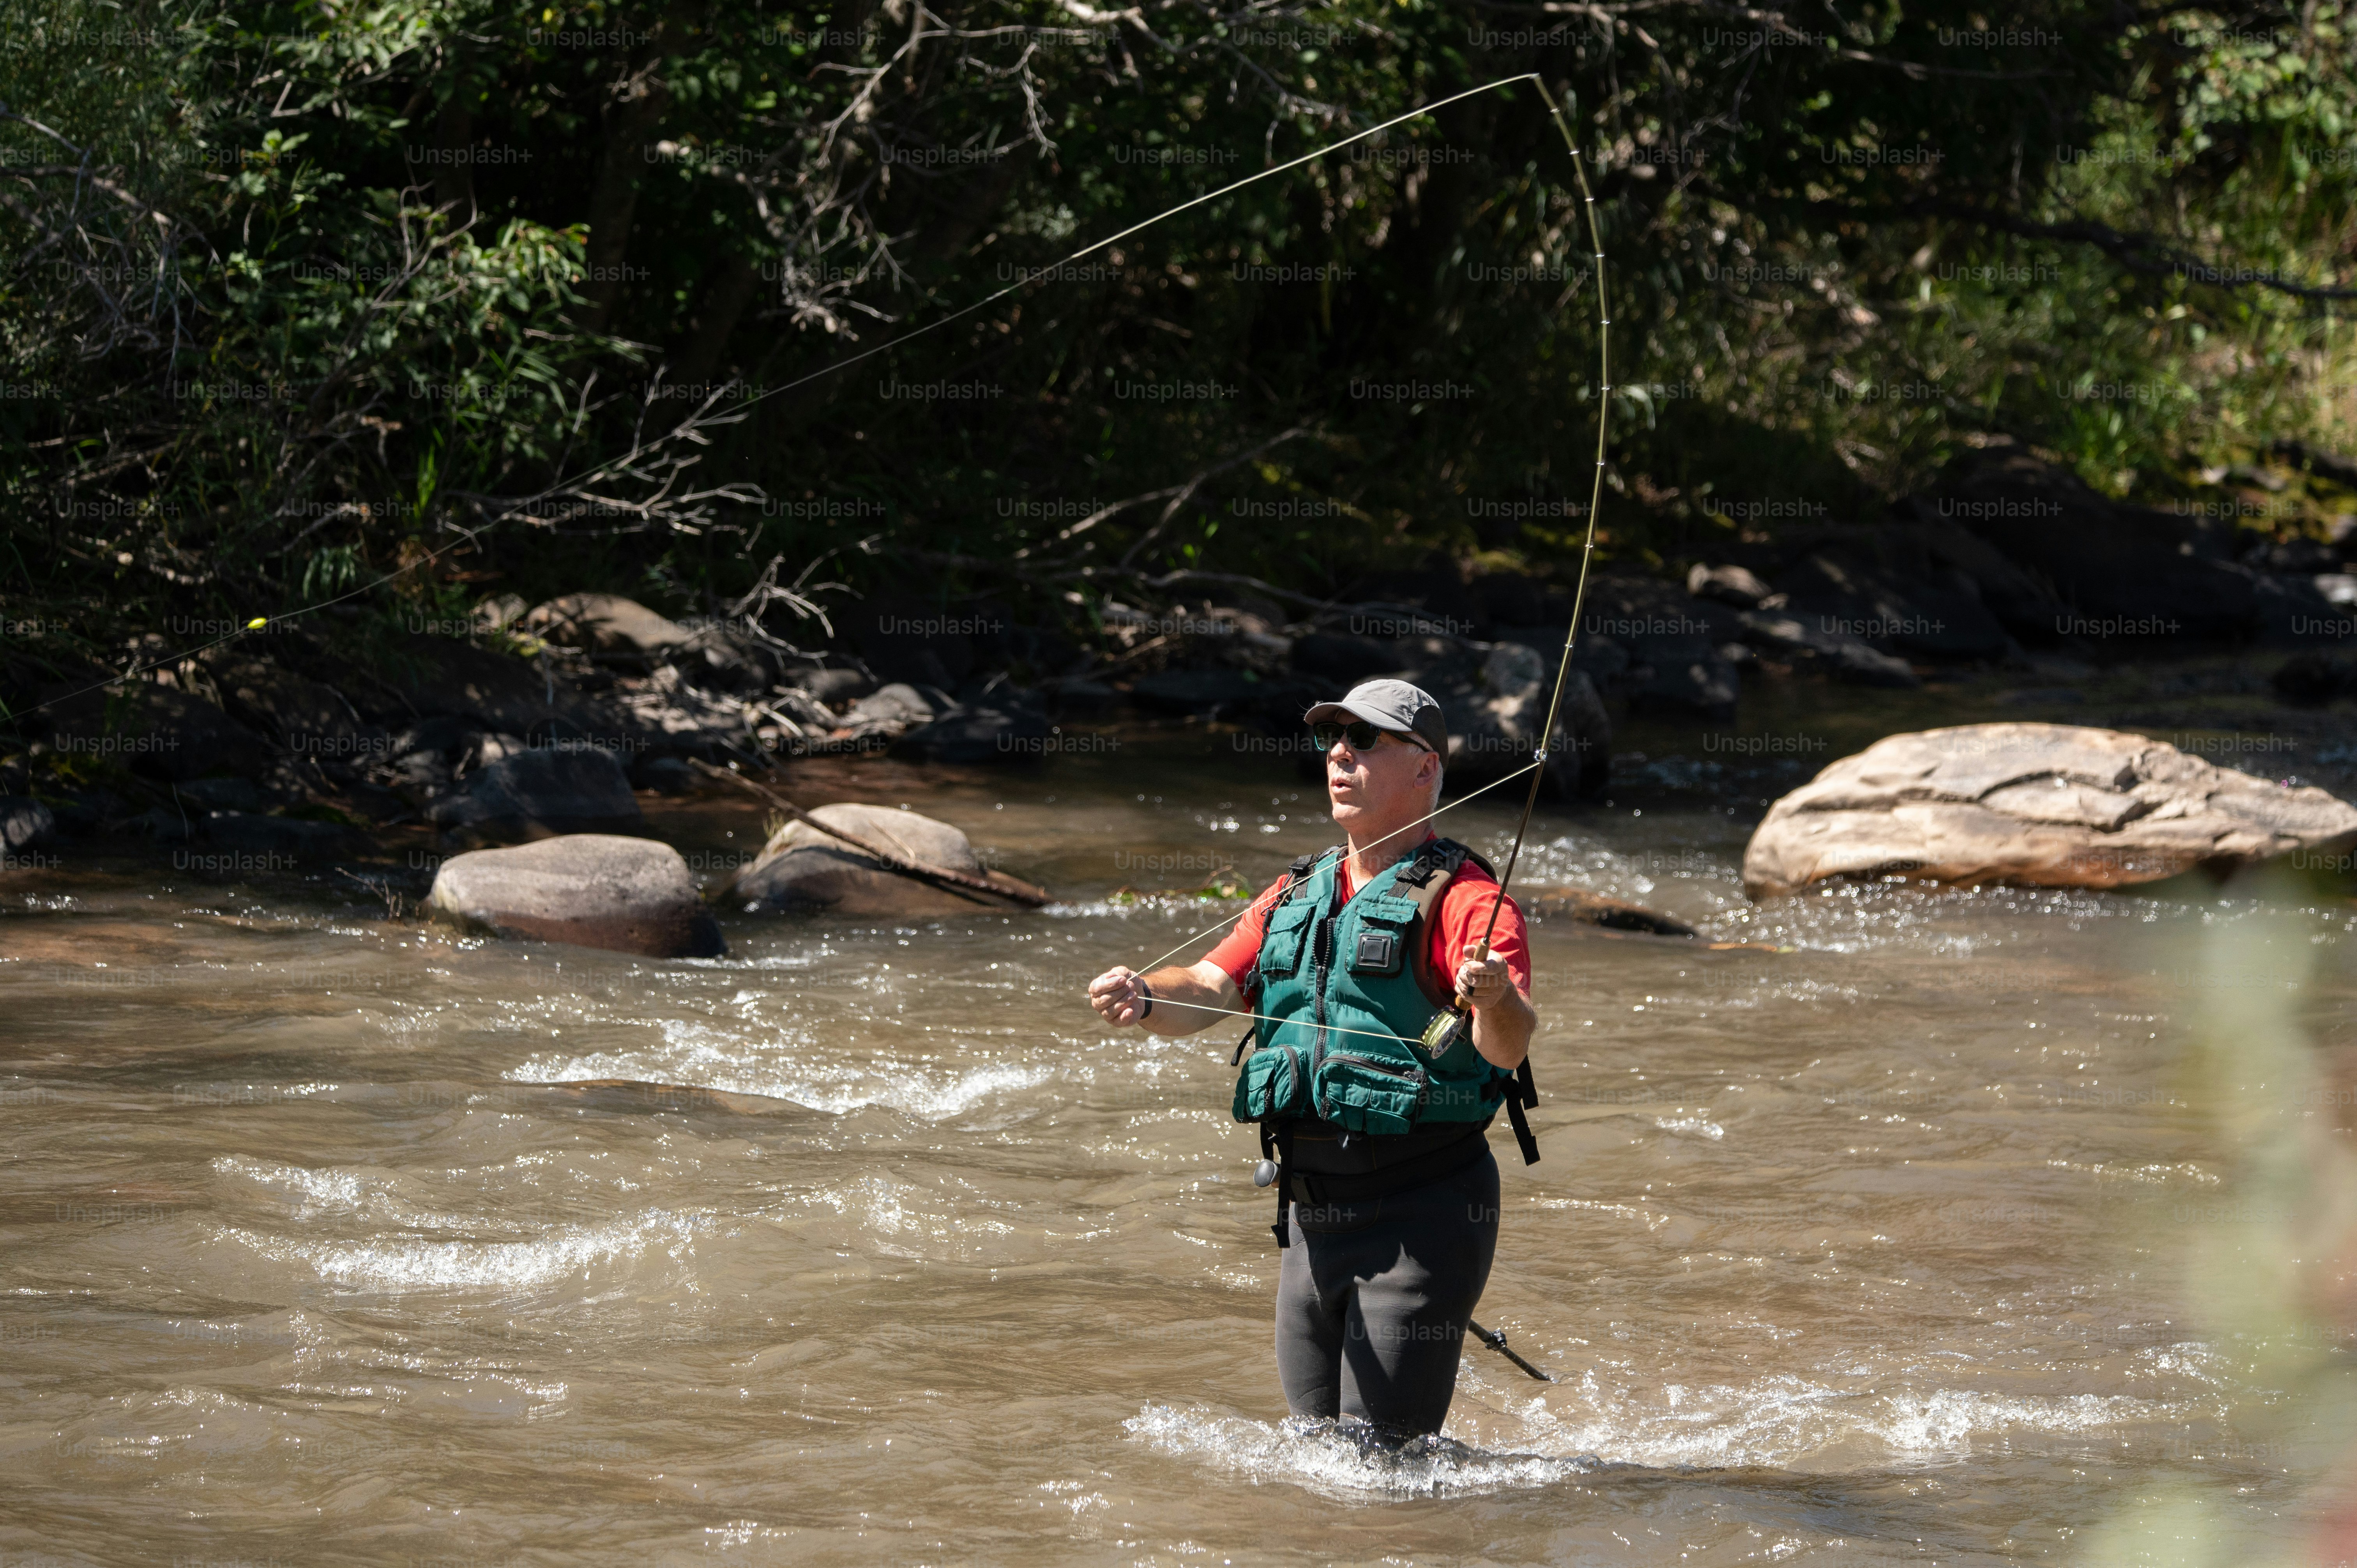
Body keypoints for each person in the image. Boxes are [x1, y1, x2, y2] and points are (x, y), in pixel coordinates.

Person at [1087, 678, 1538, 1437]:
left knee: (1382, 1471)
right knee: (1314, 1454)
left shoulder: (1466, 899)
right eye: (1333, 738)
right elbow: (1206, 984)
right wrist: (1144, 995)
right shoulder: (1295, 892)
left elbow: (1509, 1043)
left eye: (1366, 740)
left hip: (1424, 1211)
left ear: (1425, 768)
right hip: (1310, 1218)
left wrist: (1492, 995)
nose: (1339, 753)